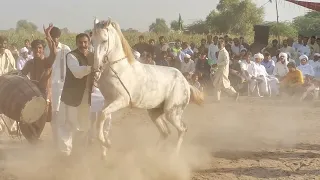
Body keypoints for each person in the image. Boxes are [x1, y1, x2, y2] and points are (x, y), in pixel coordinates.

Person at [57, 33, 94, 157]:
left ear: (89, 43)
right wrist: (92, 67)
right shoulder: (72, 56)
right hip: (72, 96)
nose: (83, 45)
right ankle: (65, 153)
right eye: (81, 42)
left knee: (83, 125)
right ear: (77, 43)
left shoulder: (93, 56)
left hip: (86, 96)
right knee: (68, 124)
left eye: (85, 42)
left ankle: (78, 152)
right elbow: (78, 72)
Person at [21, 24, 57, 143]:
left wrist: (48, 36)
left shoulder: (47, 62)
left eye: (40, 48)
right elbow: (21, 75)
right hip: (31, 92)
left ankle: (36, 137)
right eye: (36, 48)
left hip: (44, 93)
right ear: (32, 50)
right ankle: (32, 138)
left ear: (43, 49)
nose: (38, 50)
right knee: (27, 115)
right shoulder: (30, 63)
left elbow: (54, 52)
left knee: (43, 115)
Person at [44, 26, 71, 148]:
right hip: (50, 86)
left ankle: (63, 142)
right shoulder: (46, 49)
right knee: (53, 114)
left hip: (63, 85)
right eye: (52, 37)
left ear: (59, 37)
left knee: (61, 114)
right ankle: (56, 139)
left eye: (56, 37)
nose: (54, 39)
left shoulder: (65, 49)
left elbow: (71, 66)